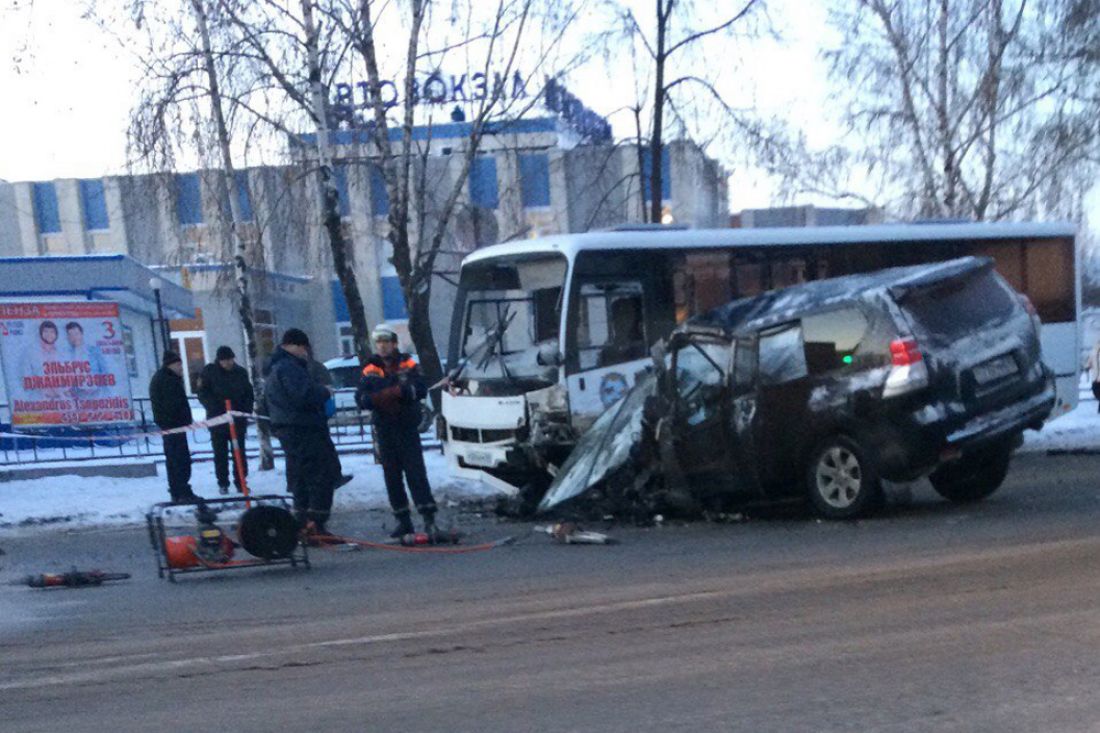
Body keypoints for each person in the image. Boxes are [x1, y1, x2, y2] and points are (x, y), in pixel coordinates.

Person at [356, 324, 437, 538]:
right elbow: (363, 397)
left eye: (386, 342)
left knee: (416, 474)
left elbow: (419, 388)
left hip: (407, 427)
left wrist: (396, 391)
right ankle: (403, 520)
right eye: (379, 342)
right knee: (392, 476)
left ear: (394, 343)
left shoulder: (408, 363)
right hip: (385, 428)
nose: (382, 346)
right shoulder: (370, 366)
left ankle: (429, 518)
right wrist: (383, 397)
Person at [265, 328, 341, 536]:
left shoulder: (275, 368)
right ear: (295, 346)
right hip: (304, 429)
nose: (306, 353)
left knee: (300, 476)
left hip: (288, 429)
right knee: (319, 475)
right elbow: (303, 395)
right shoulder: (289, 368)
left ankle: (302, 521)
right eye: (304, 348)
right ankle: (316, 523)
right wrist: (324, 392)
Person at [197, 346, 255, 495]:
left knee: (239, 453)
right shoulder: (209, 372)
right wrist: (216, 409)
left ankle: (241, 481)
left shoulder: (240, 373)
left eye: (230, 360)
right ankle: (223, 482)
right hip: (217, 421)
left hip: (237, 421)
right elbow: (203, 393)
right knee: (220, 454)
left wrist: (244, 411)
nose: (228, 363)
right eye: (224, 360)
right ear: (219, 360)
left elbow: (249, 394)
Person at [149, 350, 199, 504]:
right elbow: (173, 404)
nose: (180, 367)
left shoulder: (167, 378)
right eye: (178, 364)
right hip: (173, 426)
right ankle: (181, 491)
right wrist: (180, 420)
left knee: (176, 460)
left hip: (173, 426)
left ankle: (178, 491)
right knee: (179, 460)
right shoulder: (167, 380)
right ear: (170, 364)